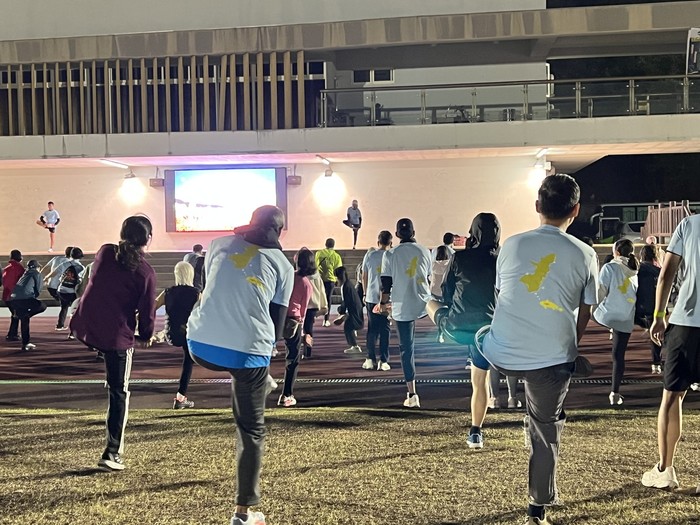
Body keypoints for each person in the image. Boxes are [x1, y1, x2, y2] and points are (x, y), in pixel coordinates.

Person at [482, 174, 599, 525]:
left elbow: (503, 294)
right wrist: (572, 346)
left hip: (501, 353)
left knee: (480, 335)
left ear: (537, 206)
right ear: (575, 210)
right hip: (551, 358)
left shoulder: (511, 245)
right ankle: (537, 507)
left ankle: (495, 389)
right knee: (546, 427)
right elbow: (586, 310)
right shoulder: (585, 254)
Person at [186, 205, 294, 525]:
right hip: (247, 353)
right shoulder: (283, 265)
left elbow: (214, 286)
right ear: (279, 231)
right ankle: (244, 512)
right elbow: (277, 328)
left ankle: (261, 379)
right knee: (251, 430)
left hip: (199, 345)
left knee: (247, 365)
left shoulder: (218, 244)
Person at [70, 216, 157, 472]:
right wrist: (146, 335)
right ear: (148, 239)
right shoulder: (145, 272)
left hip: (87, 326)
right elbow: (147, 313)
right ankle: (112, 451)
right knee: (119, 392)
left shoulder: (105, 252)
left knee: (114, 378)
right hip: (116, 336)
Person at [430, 213, 501, 448]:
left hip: (457, 326)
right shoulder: (500, 260)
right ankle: (475, 432)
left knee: (428, 302)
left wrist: (452, 309)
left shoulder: (460, 257)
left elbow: (446, 290)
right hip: (487, 328)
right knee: (480, 381)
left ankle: (441, 332)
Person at [642, 212, 700, 491]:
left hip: (687, 322)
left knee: (672, 396)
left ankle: (665, 470)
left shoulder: (689, 224)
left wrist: (658, 315)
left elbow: (666, 273)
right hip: (686, 322)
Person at [380, 218, 431, 408]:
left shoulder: (390, 254)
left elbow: (386, 285)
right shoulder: (425, 251)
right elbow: (427, 276)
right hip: (426, 304)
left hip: (402, 305)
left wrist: (382, 304)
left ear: (397, 235)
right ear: (414, 232)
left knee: (406, 348)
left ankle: (412, 393)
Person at [593, 239, 639, 406]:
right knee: (619, 356)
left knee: (580, 316)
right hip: (626, 317)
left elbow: (600, 292)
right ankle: (615, 393)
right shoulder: (635, 269)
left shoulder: (610, 267)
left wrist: (588, 308)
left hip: (606, 315)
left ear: (616, 252)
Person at [153, 261, 200, 409]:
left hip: (171, 333)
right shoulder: (196, 293)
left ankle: (161, 334)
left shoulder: (168, 292)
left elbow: (152, 307)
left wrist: (136, 319)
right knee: (188, 362)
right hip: (188, 332)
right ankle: (180, 397)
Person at [278, 248, 314, 407]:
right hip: (294, 321)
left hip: (278, 315)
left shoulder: (288, 276)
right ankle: (286, 394)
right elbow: (303, 310)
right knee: (292, 358)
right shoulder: (306, 284)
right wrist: (305, 332)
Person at [362, 231, 393, 371]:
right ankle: (383, 360)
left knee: (372, 329)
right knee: (385, 329)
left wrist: (365, 293)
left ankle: (370, 359)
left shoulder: (370, 255)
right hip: (387, 298)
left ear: (378, 242)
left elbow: (364, 276)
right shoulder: (392, 256)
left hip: (371, 297)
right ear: (391, 242)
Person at [635, 244, 662, 374]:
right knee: (655, 335)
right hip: (653, 307)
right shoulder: (659, 272)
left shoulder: (636, 270)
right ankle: (656, 363)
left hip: (636, 307)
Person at [10, 260, 47, 351]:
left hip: (14, 299)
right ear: (37, 267)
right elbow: (38, 290)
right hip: (25, 298)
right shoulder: (36, 274)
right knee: (42, 306)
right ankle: (27, 315)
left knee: (24, 320)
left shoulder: (25, 274)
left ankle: (25, 343)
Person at [46, 247, 85, 331]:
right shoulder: (81, 267)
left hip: (62, 290)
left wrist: (45, 278)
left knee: (64, 307)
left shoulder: (64, 264)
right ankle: (75, 328)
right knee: (76, 309)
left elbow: (53, 273)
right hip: (72, 291)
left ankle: (60, 325)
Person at [301, 249, 327, 359]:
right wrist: (324, 305)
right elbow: (321, 290)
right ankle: (307, 351)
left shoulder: (299, 275)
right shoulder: (316, 275)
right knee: (309, 328)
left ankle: (300, 349)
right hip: (313, 305)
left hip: (301, 305)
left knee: (299, 328)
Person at [334, 266, 365, 357]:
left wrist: (341, 311)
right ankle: (354, 341)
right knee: (349, 326)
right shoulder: (348, 284)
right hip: (356, 308)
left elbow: (345, 301)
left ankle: (355, 346)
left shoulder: (345, 287)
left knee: (348, 326)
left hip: (353, 309)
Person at [315, 238, 343, 327]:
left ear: (325, 244)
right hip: (330, 280)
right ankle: (326, 320)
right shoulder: (336, 256)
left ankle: (314, 316)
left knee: (317, 297)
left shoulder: (319, 253)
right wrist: (337, 279)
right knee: (328, 298)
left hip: (320, 279)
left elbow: (315, 265)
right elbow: (338, 269)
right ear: (333, 245)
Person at [2, 250, 24, 342]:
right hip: (15, 296)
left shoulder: (7, 268)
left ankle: (13, 333)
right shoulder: (20, 268)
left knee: (15, 314)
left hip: (6, 295)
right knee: (17, 315)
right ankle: (12, 334)